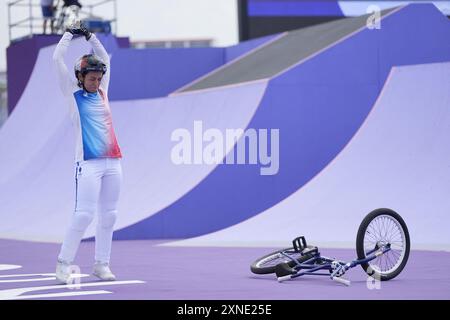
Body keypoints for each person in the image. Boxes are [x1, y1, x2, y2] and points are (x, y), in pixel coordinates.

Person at [53, 21, 122, 284]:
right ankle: (63, 263)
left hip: (113, 161)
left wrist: (91, 36)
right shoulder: (72, 94)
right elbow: (57, 58)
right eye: (92, 77)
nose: (97, 81)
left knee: (110, 215)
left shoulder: (103, 92)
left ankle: (101, 264)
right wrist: (70, 35)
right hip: (88, 164)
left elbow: (104, 57)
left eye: (99, 77)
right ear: (80, 77)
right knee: (84, 214)